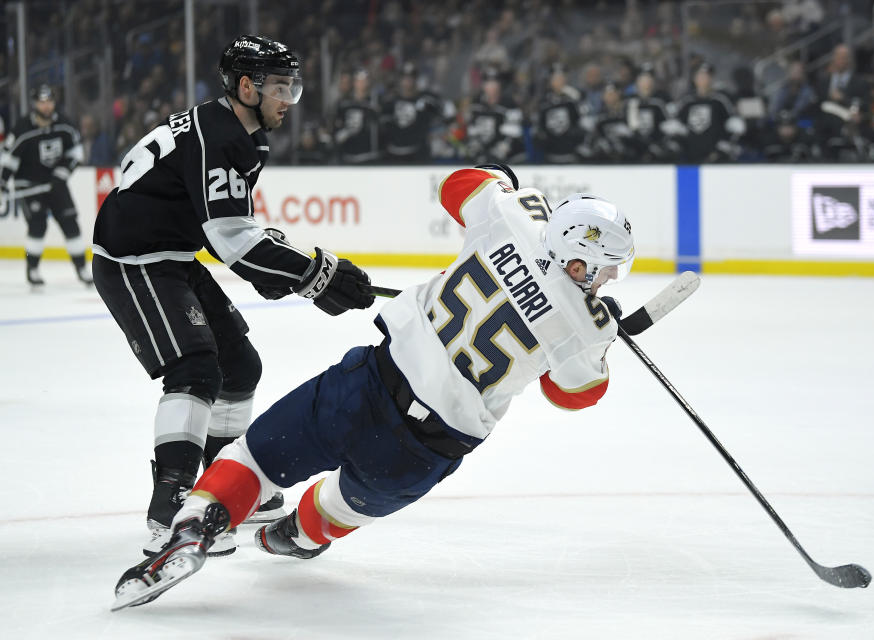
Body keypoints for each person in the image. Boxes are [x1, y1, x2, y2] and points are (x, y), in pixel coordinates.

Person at [110, 163, 637, 610]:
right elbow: (574, 394)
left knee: (253, 459)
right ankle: (293, 536)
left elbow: (459, 185)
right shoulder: (585, 328)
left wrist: (504, 181)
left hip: (365, 384)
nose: (610, 279)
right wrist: (602, 336)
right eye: (607, 269)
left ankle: (194, 527)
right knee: (340, 505)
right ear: (579, 258)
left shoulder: (514, 214)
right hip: (422, 450)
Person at [91, 35, 375, 559]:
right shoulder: (222, 137)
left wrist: (288, 272)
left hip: (171, 253)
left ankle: (229, 485)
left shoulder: (244, 132)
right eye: (281, 87)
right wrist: (315, 274)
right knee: (195, 370)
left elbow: (220, 224)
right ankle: (170, 504)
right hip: (134, 261)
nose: (290, 98)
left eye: (294, 85)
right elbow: (233, 240)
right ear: (246, 87)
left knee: (240, 368)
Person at [0, 84, 89, 287]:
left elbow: (76, 153)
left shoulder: (65, 125)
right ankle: (32, 269)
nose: (47, 106)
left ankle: (82, 268)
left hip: (55, 183)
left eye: (49, 101)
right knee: (38, 224)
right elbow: (8, 160)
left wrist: (61, 174)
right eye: (42, 102)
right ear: (35, 104)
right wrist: (2, 185)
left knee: (70, 222)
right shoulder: (22, 128)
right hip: (28, 184)